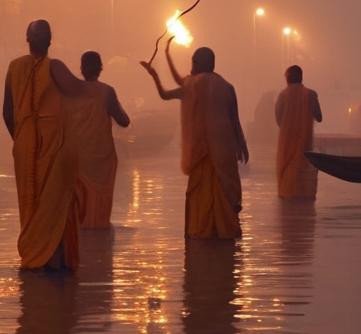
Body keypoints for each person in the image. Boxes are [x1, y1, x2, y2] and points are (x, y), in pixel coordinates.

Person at [141, 41, 248, 239]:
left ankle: (202, 231)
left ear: (196, 64)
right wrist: (242, 144)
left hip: (201, 150)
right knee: (225, 189)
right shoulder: (226, 86)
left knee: (199, 192)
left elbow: (165, 94)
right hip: (224, 148)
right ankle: (227, 232)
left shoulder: (191, 85)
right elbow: (235, 118)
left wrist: (154, 74)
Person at [3, 19, 86, 271]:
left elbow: (8, 112)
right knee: (55, 202)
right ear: (50, 41)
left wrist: (20, 139)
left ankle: (34, 257)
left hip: (24, 142)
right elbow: (79, 91)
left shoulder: (14, 67)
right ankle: (53, 261)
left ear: (27, 41)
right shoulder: (55, 67)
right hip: (53, 145)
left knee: (32, 202)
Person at [69, 50, 130, 228]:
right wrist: (116, 104)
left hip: (78, 158)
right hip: (101, 159)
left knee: (79, 213)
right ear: (101, 68)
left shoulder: (72, 91)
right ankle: (100, 242)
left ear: (81, 69)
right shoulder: (107, 92)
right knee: (99, 217)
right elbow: (124, 121)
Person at [275, 65, 322, 200]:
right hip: (305, 142)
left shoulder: (283, 95)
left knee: (286, 170)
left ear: (287, 79)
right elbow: (319, 117)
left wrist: (289, 128)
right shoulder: (311, 94)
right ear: (301, 78)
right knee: (304, 171)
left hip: (286, 144)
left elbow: (279, 120)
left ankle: (288, 196)